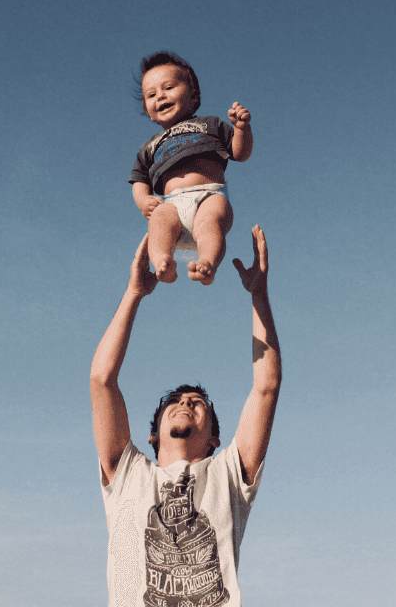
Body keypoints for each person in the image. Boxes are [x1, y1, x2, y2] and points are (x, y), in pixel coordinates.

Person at [90, 226, 281, 607]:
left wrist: (259, 295)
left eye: (198, 403)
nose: (186, 403)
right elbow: (102, 380)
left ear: (214, 439)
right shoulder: (128, 475)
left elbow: (266, 387)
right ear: (152, 435)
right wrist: (133, 294)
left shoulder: (228, 474)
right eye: (174, 401)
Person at [129, 52, 253, 286]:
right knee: (158, 221)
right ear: (147, 109)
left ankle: (207, 263)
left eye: (169, 87)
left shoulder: (210, 124)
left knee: (209, 224)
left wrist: (241, 129)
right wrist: (144, 201)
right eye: (152, 94)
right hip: (171, 203)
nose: (160, 96)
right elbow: (139, 178)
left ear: (193, 95)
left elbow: (240, 153)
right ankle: (163, 261)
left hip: (210, 195)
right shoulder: (150, 146)